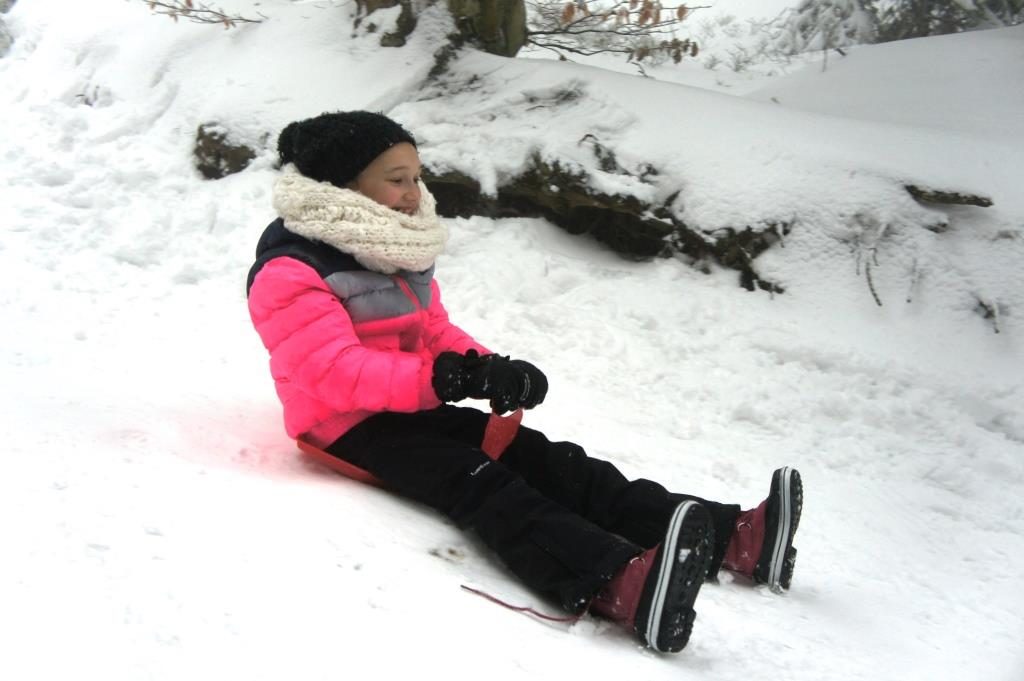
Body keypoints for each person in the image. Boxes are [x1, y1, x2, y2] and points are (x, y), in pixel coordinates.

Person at [246, 111, 803, 653]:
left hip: (412, 401)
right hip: (346, 423)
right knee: (479, 481)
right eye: (397, 180)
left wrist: (489, 367)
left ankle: (734, 538)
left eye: (416, 177)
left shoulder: (392, 245)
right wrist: (448, 379)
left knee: (547, 458)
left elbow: (433, 329)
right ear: (342, 185)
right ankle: (617, 583)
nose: (414, 194)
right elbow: (333, 371)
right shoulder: (291, 270)